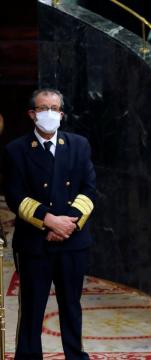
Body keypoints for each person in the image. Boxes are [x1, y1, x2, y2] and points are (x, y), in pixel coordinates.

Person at [4, 89, 96, 360]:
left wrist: (67, 225)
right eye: (43, 108)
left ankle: (75, 357)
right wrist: (49, 221)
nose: (50, 114)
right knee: (32, 308)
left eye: (55, 108)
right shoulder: (16, 150)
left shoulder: (79, 145)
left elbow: (89, 190)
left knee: (71, 306)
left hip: (72, 241)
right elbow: (15, 196)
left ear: (62, 114)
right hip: (35, 244)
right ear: (32, 114)